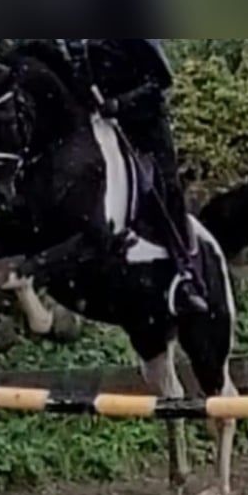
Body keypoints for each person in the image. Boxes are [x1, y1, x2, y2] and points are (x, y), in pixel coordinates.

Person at [56, 39, 209, 317]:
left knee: (165, 188)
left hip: (146, 128)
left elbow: (160, 81)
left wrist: (121, 104)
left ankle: (185, 275)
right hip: (102, 126)